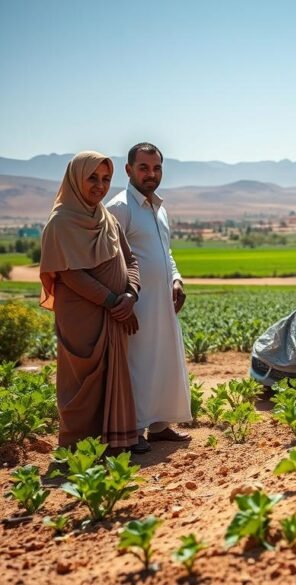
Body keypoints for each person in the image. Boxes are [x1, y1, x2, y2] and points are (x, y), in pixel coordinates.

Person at [39, 151, 140, 452]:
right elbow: (72, 276)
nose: (100, 185)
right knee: (82, 381)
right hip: (82, 318)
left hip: (115, 311)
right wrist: (113, 301)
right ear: (75, 179)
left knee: (114, 373)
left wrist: (131, 294)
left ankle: (113, 442)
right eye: (92, 178)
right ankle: (77, 448)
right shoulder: (60, 223)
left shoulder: (107, 219)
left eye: (106, 179)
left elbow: (131, 259)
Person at [106, 143, 192, 453]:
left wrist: (176, 278)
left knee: (162, 359)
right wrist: (123, 299)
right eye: (143, 168)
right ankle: (133, 430)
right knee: (138, 363)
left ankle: (158, 426)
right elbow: (112, 260)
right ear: (128, 170)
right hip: (136, 303)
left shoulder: (159, 207)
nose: (151, 174)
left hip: (162, 302)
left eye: (156, 168)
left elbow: (164, 251)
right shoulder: (119, 207)